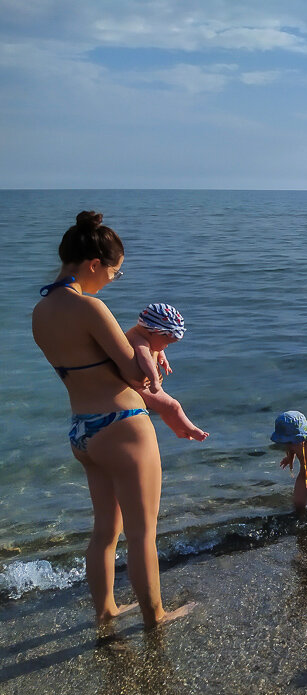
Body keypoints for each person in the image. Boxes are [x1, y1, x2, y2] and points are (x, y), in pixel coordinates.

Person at [32, 211, 193, 629]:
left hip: (82, 431)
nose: (109, 281)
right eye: (113, 273)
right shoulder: (91, 308)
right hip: (122, 426)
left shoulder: (41, 311)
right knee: (142, 533)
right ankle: (155, 615)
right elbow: (135, 375)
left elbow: (88, 366)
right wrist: (148, 348)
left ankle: (105, 611)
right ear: (93, 265)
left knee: (105, 531)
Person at [125, 304, 209, 442]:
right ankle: (191, 429)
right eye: (166, 342)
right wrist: (154, 381)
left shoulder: (145, 336)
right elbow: (145, 359)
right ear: (153, 331)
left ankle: (178, 430)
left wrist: (161, 356)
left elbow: (156, 346)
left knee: (166, 409)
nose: (166, 346)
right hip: (143, 388)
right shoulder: (139, 341)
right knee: (172, 406)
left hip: (147, 385)